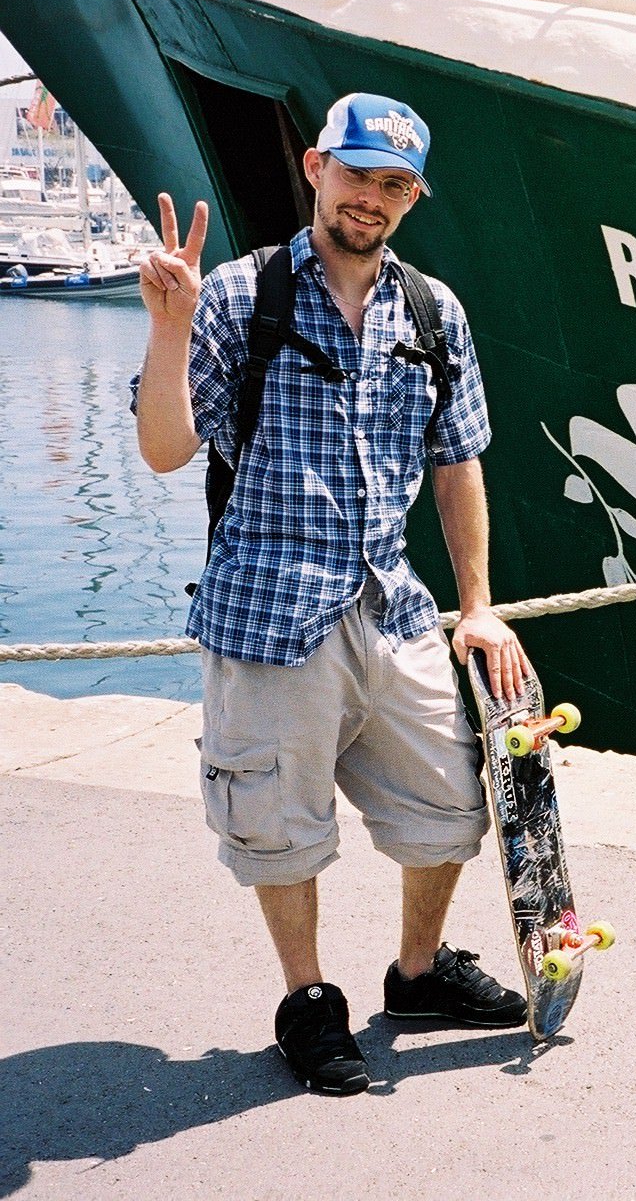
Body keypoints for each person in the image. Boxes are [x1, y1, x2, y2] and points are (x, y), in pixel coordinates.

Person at [134, 93, 532, 1096]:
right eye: (358, 173)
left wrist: (476, 601)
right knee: (278, 822)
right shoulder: (237, 295)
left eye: (395, 183)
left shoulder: (433, 311)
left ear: (413, 196)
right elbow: (166, 451)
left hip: (390, 607)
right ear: (316, 168)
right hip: (267, 612)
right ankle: (309, 1000)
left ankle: (417, 972)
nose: (373, 197)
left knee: (451, 802)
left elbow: (458, 463)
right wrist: (171, 330)